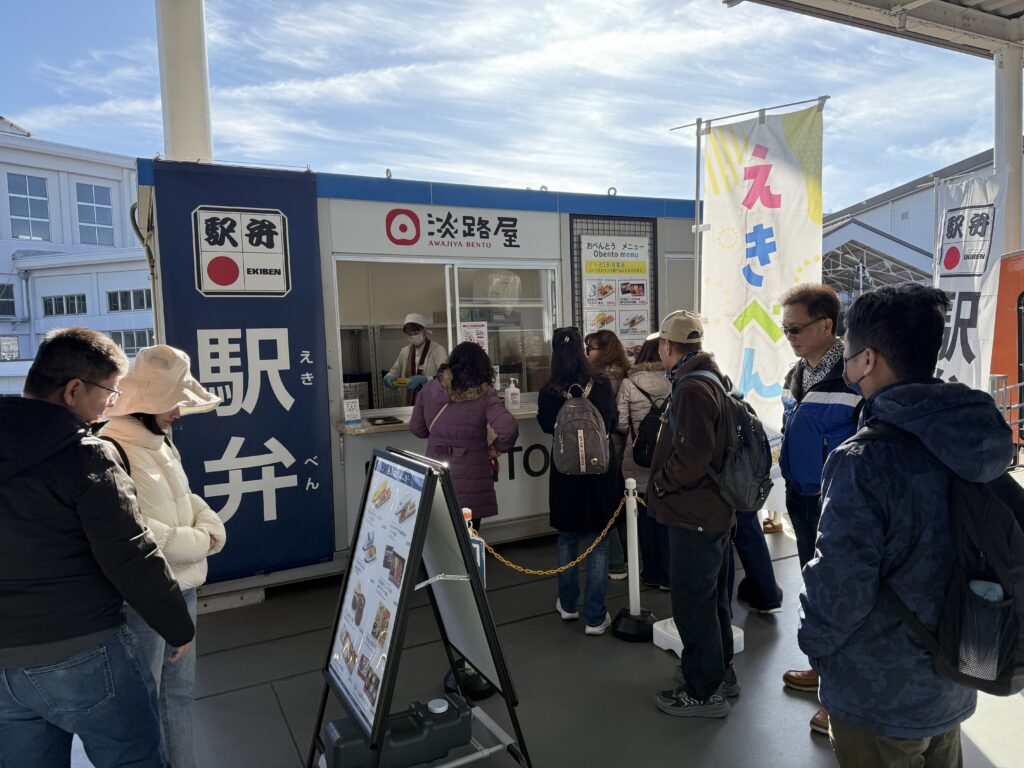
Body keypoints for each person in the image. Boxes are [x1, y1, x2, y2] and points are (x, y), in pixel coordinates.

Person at [799, 284, 1012, 767]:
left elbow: (840, 585)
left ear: (867, 360)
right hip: (957, 669)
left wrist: (814, 646)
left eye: (848, 356)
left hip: (878, 693)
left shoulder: (863, 459)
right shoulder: (973, 436)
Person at [0, 327, 194, 768]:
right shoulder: (85, 453)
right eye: (109, 392)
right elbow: (130, 552)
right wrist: (177, 625)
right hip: (79, 648)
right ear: (73, 390)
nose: (111, 404)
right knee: (133, 758)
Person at [100, 345, 227, 768]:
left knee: (179, 695)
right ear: (146, 404)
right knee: (147, 700)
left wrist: (211, 528)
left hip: (183, 587)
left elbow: (186, 498)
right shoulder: (112, 448)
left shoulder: (159, 441)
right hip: (145, 598)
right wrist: (204, 540)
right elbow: (138, 533)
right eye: (171, 402)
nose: (178, 412)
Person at [777, 283, 861, 735]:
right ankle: (822, 667)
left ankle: (840, 695)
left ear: (826, 326)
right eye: (785, 329)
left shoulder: (854, 376)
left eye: (796, 328)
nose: (789, 336)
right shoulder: (797, 374)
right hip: (799, 495)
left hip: (836, 502)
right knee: (813, 589)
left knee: (837, 594)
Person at [648, 311, 737, 719]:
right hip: (712, 510)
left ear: (668, 346)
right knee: (712, 599)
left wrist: (661, 484)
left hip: (694, 513)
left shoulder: (691, 388)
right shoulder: (711, 379)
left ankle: (703, 692)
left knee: (692, 604)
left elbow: (692, 453)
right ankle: (720, 674)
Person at [538, 327, 619, 636]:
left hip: (566, 475)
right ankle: (596, 618)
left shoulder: (549, 389)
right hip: (600, 474)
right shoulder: (601, 384)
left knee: (567, 539)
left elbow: (547, 425)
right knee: (598, 543)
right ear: (582, 353)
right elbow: (612, 421)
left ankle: (569, 605)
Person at [410, 342, 519, 526]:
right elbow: (508, 429)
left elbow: (417, 429)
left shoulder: (429, 389)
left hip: (436, 473)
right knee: (469, 536)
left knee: (440, 532)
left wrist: (440, 436)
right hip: (472, 478)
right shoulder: (485, 393)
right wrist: (497, 446)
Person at [615, 337, 670, 590]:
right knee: (666, 517)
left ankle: (651, 574)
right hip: (668, 459)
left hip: (638, 457)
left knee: (645, 519)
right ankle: (668, 575)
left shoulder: (629, 382)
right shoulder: (675, 380)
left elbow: (620, 423)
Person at [585, 329, 629, 579]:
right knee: (621, 504)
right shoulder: (625, 372)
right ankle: (629, 559)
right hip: (625, 446)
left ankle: (615, 563)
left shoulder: (601, 379)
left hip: (608, 446)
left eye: (590, 349)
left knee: (606, 505)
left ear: (603, 351)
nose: (587, 354)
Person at [384, 313, 447, 405]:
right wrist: (388, 377)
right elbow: (395, 370)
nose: (413, 336)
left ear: (424, 331)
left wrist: (426, 379)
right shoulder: (405, 351)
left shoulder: (437, 350)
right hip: (408, 402)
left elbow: (445, 377)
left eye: (416, 333)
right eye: (410, 334)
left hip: (431, 402)